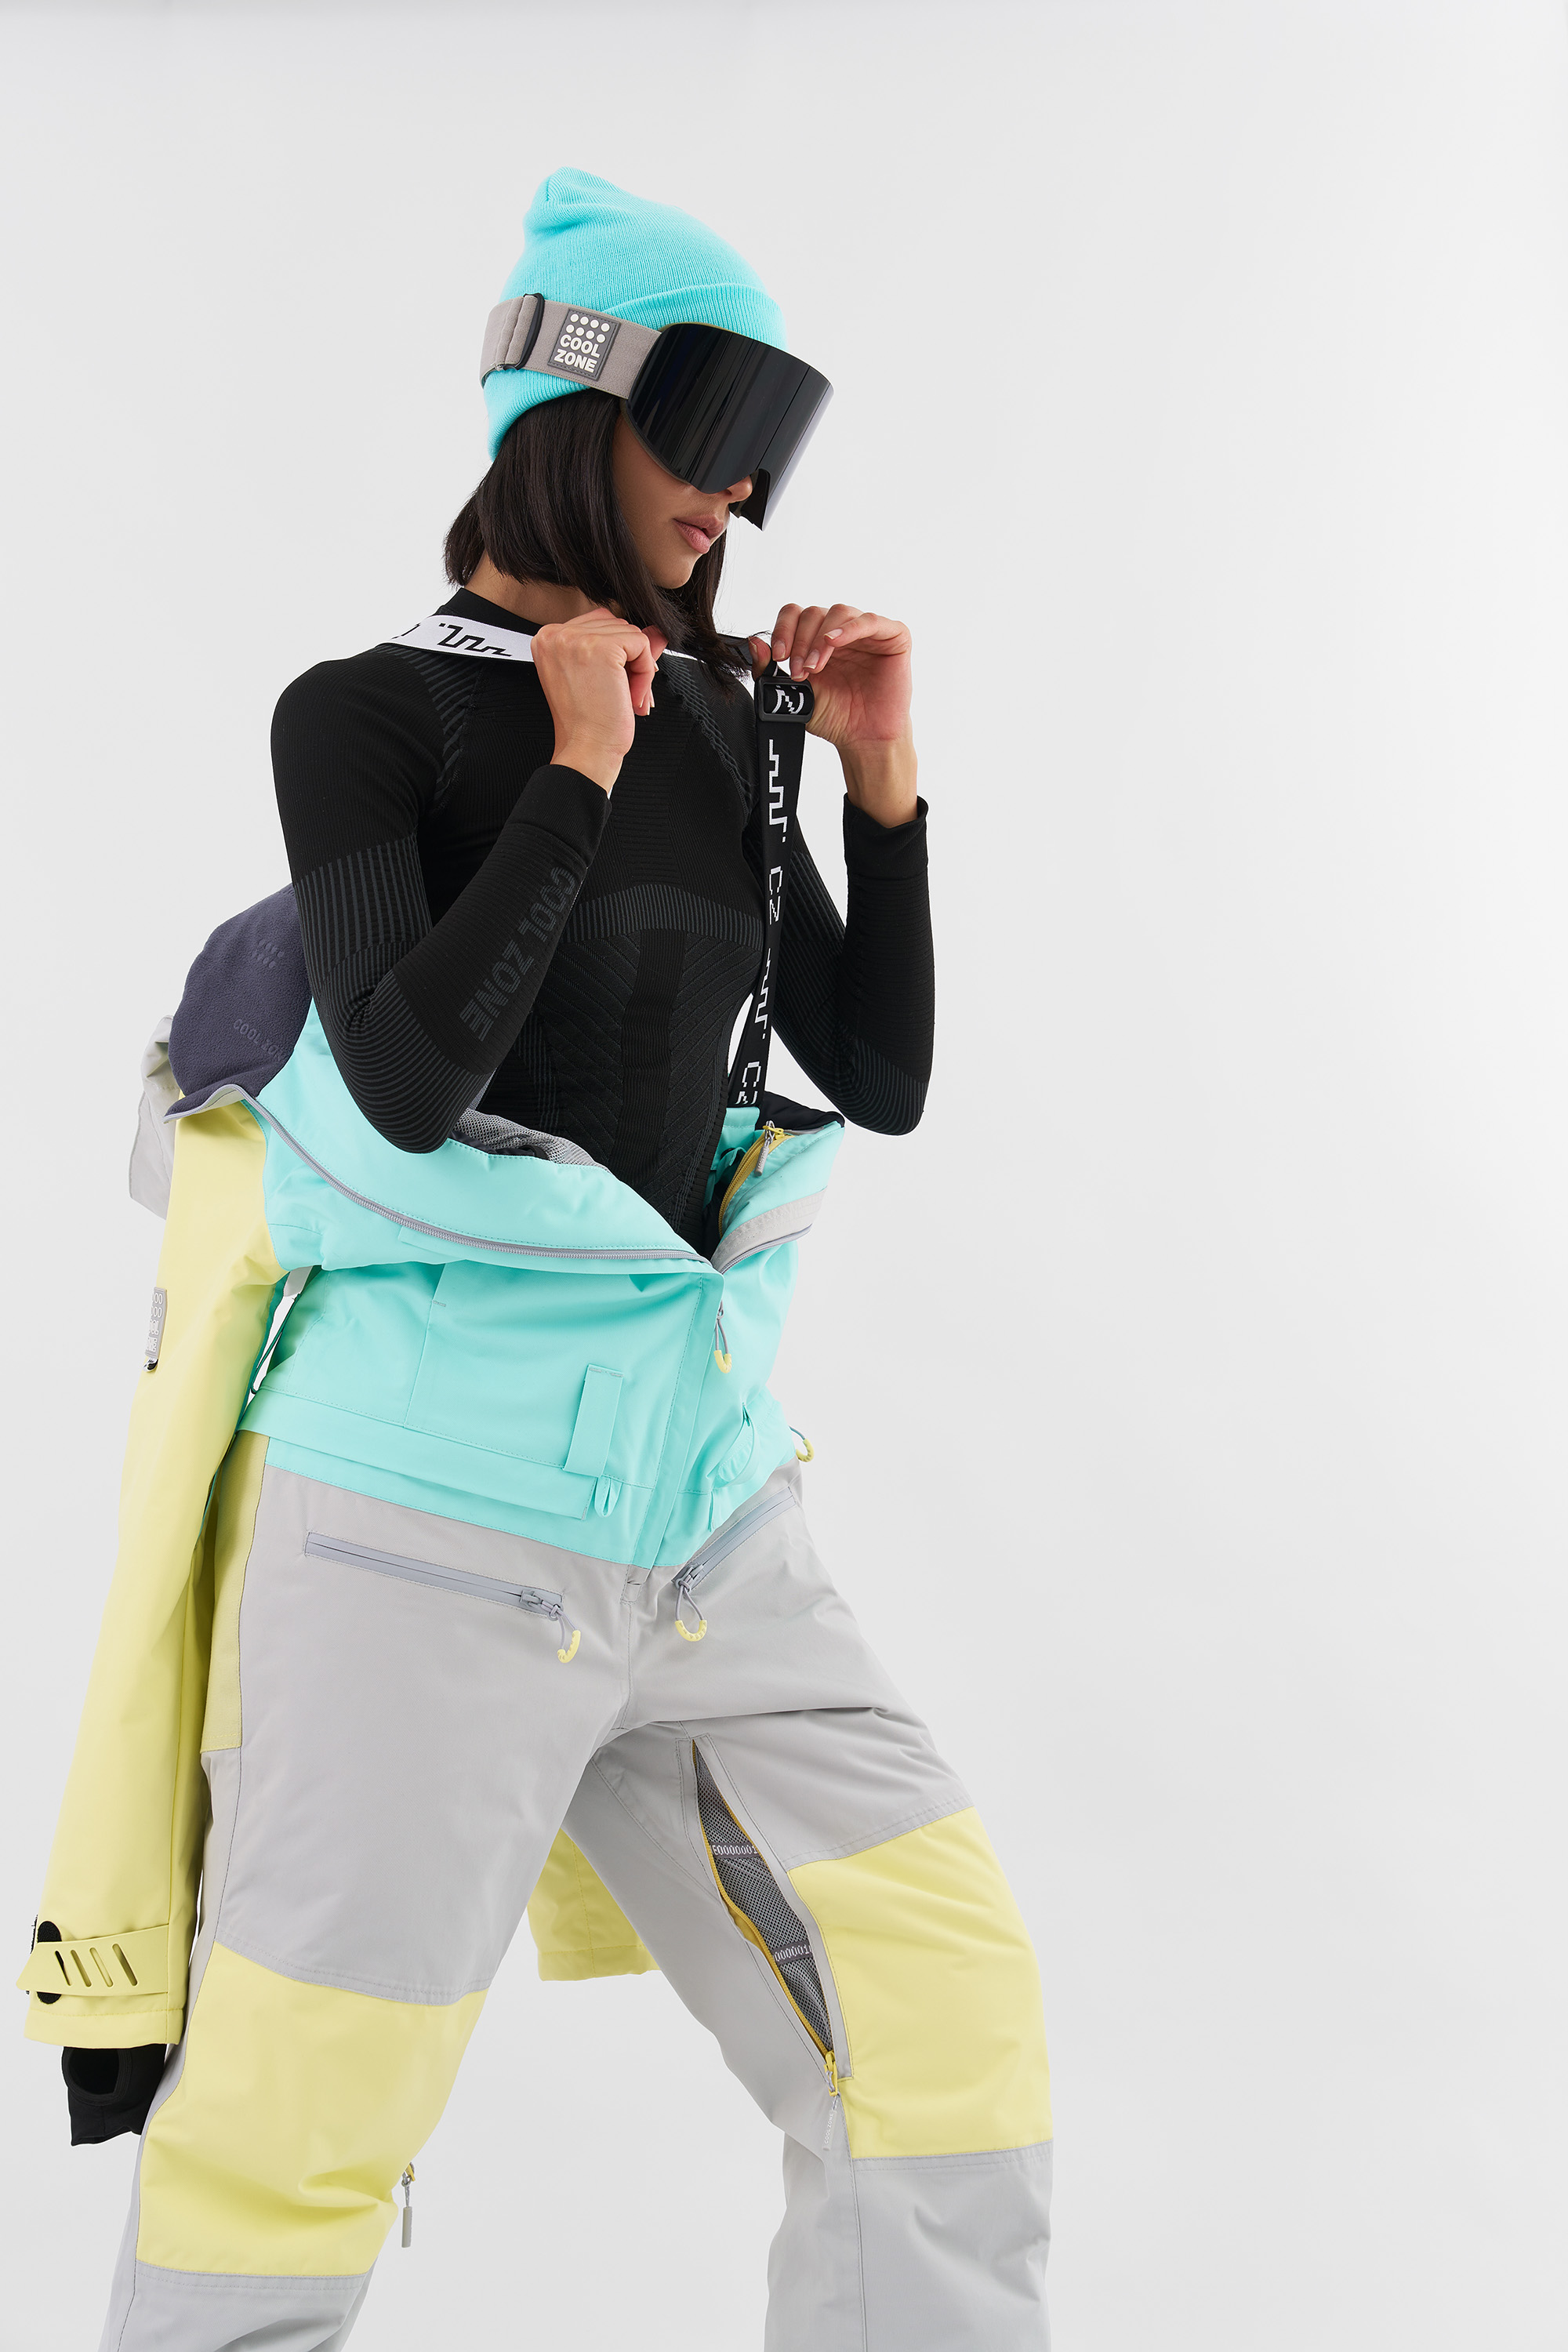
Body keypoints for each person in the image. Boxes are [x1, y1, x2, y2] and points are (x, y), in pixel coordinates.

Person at [21, 169, 1051, 2350]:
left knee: (939, 2024)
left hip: (702, 1503)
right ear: (577, 400)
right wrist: (575, 766)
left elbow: (875, 1074)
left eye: (779, 443)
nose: (745, 490)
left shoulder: (722, 714)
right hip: (415, 1519)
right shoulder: (364, 713)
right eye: (721, 421)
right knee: (295, 2128)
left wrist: (876, 787)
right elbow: (409, 1079)